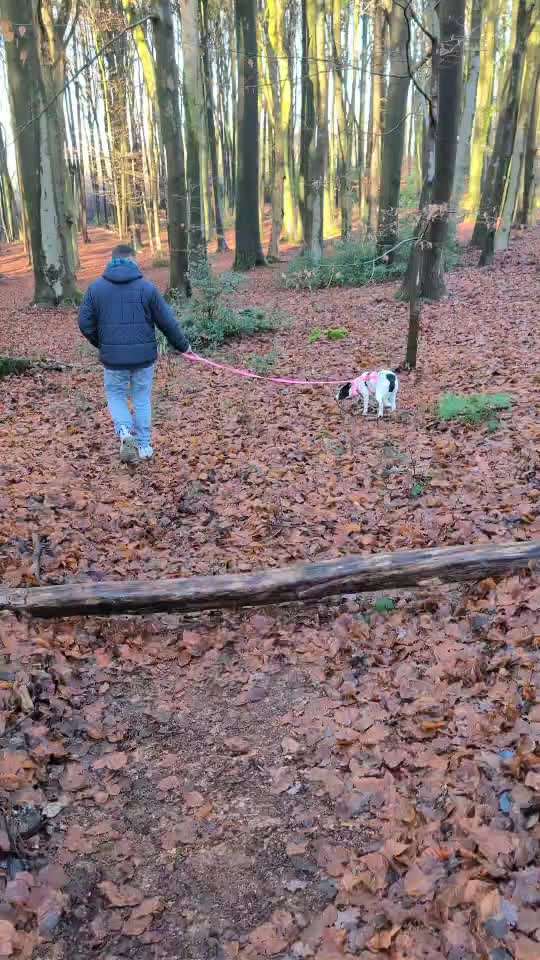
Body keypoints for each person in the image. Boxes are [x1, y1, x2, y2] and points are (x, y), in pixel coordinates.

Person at [78, 244, 190, 463]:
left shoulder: (96, 288)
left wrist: (102, 343)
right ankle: (144, 445)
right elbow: (167, 321)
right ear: (133, 260)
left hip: (113, 359)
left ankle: (124, 432)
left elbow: (84, 322)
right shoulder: (147, 288)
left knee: (116, 395)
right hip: (143, 358)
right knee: (141, 397)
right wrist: (183, 346)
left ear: (112, 260)